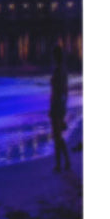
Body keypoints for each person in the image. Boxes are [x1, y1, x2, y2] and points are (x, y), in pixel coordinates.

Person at [49, 42, 71, 172]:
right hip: (58, 105)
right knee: (57, 135)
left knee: (56, 135)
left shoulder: (59, 70)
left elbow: (60, 90)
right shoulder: (62, 69)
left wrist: (59, 109)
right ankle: (64, 162)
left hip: (57, 105)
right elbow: (63, 91)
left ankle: (60, 164)